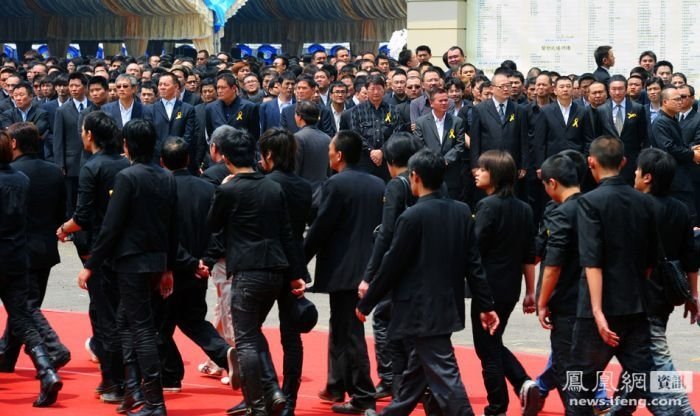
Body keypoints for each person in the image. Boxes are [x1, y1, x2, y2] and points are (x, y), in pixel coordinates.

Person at [357, 148, 500, 416]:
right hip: (447, 304)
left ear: (415, 177)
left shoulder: (412, 216)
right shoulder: (461, 212)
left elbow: (392, 264)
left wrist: (367, 302)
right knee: (416, 373)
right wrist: (486, 304)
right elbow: (474, 264)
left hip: (420, 309)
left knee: (445, 374)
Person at [78, 119, 179, 416]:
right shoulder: (166, 177)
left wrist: (91, 265)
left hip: (132, 262)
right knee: (126, 322)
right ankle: (135, 391)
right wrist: (168, 267)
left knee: (141, 328)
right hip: (155, 260)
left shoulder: (128, 177)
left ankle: (154, 401)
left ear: (127, 145)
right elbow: (174, 227)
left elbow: (111, 227)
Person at [207, 127, 306, 416]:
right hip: (278, 268)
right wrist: (297, 273)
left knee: (247, 339)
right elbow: (288, 234)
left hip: (248, 270)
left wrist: (224, 188)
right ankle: (276, 395)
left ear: (225, 158)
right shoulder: (272, 187)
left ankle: (257, 403)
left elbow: (212, 224)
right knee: (275, 337)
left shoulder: (229, 188)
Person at [569, 136, 662, 415]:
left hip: (597, 309)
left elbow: (592, 260)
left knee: (581, 385)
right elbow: (650, 260)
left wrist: (597, 311)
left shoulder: (589, 202)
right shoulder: (644, 202)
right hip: (635, 303)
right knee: (638, 376)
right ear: (623, 162)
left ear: (591, 163)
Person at [304, 130, 384, 414]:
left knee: (350, 332)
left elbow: (321, 227)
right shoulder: (378, 184)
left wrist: (299, 261)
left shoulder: (335, 184)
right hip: (369, 267)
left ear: (338, 155)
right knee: (341, 326)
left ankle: (364, 395)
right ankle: (336, 384)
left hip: (343, 267)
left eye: (330, 150)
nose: (328, 154)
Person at [56, 111, 132, 405]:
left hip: (102, 250)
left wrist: (63, 229)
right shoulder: (125, 163)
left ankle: (115, 382)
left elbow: (83, 216)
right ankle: (122, 379)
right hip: (127, 249)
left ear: (89, 135)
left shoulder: (93, 167)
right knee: (122, 316)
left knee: (106, 317)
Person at [624, 147, 698, 415]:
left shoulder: (634, 205)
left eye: (637, 169)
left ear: (648, 177)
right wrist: (693, 295)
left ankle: (683, 410)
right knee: (638, 353)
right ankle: (622, 405)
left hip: (638, 294)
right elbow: (691, 257)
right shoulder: (680, 209)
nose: (633, 172)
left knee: (656, 355)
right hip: (666, 293)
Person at [157, 137, 232, 393]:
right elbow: (219, 232)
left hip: (170, 268)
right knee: (193, 320)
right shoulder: (207, 189)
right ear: (188, 160)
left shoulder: (161, 189)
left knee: (159, 325)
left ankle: (170, 375)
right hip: (199, 269)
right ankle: (225, 355)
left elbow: (164, 234)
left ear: (162, 162)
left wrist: (193, 263)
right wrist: (206, 262)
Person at [472, 150, 539, 416]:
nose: (477, 172)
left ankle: (497, 407)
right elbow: (528, 255)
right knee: (493, 342)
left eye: (482, 169)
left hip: (487, 288)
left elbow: (474, 251)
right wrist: (530, 292)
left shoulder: (487, 207)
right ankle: (523, 383)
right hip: (510, 288)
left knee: (486, 349)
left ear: (496, 175)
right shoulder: (523, 209)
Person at [0, 130, 63, 408]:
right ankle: (46, 370)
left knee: (23, 316)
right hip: (16, 257)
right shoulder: (22, 180)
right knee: (23, 318)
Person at [358, 132, 423, 401]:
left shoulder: (397, 185)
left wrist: (370, 275)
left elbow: (386, 232)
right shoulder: (426, 180)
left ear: (390, 159)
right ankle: (413, 377)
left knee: (384, 318)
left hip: (396, 262)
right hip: (420, 261)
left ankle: (390, 377)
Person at [653, 86, 700, 223]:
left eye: (681, 99)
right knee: (687, 216)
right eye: (677, 99)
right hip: (673, 177)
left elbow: (678, 144)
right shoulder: (661, 121)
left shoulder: (671, 119)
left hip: (681, 175)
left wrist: (691, 148)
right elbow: (669, 148)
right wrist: (692, 155)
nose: (680, 102)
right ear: (665, 102)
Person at [590, 74, 648, 184]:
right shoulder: (601, 110)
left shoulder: (637, 108)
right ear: (608, 90)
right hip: (608, 160)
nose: (617, 92)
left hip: (632, 160)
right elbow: (598, 136)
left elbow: (643, 136)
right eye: (614, 89)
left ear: (626, 89)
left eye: (620, 89)